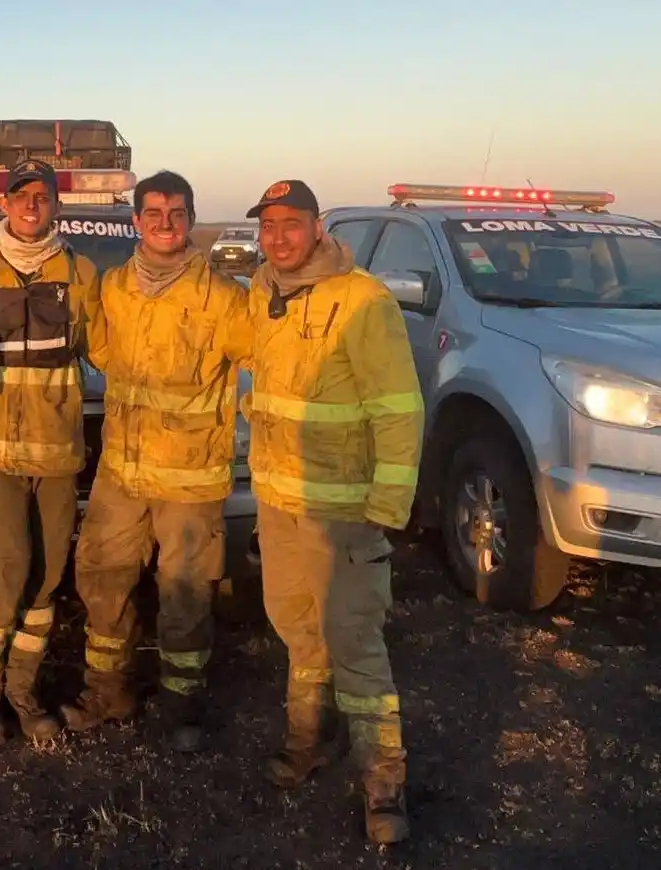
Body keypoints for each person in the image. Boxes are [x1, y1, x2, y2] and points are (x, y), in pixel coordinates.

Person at [241, 179, 424, 844]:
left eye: (291, 224)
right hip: (279, 502)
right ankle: (304, 740)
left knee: (353, 640)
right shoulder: (262, 294)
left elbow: (399, 409)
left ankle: (383, 781)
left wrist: (385, 505)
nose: (278, 237)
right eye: (268, 226)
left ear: (318, 228)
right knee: (295, 627)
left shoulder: (363, 301)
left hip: (341, 511)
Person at [59, 170, 253, 753]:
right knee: (101, 579)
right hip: (121, 471)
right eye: (152, 214)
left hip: (191, 479)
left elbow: (262, 362)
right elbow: (100, 350)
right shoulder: (114, 288)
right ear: (136, 222)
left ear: (190, 221)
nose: (164, 224)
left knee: (186, 594)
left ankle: (182, 705)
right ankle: (108, 691)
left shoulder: (223, 297)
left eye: (175, 214)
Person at [0, 159, 106, 746]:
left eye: (42, 196)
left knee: (46, 579)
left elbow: (108, 347)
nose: (31, 205)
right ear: (4, 204)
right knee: (6, 566)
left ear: (56, 205)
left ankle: (23, 690)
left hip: (58, 450)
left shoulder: (83, 271)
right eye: (21, 196)